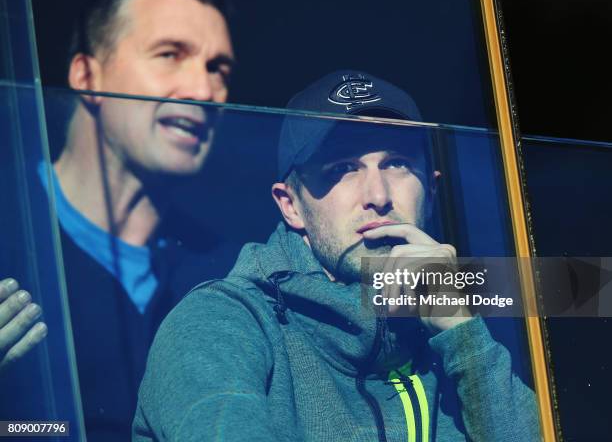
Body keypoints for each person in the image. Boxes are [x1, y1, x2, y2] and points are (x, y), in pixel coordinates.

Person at [134, 70, 540, 441]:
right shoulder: (219, 323)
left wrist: (462, 335)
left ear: (432, 192)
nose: (378, 197)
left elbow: (595, 289)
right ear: (290, 205)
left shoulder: (472, 319)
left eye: (396, 163)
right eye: (343, 168)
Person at [0, 0, 236, 440]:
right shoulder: (11, 223)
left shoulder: (230, 266)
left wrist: (421, 288)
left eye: (219, 69)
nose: (204, 90)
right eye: (170, 54)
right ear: (87, 76)